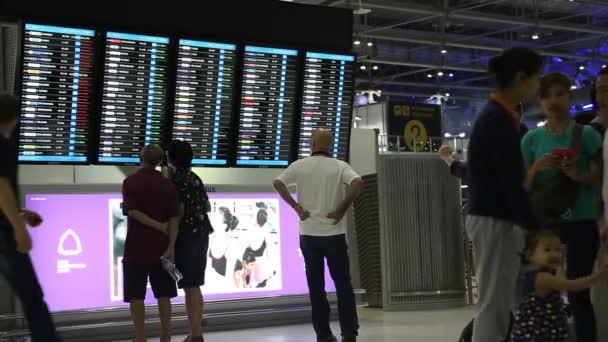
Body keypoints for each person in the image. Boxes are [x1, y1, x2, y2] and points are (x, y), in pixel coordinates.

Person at [466, 48, 543, 342]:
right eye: (537, 78)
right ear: (521, 78)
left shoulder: (502, 116)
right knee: (494, 306)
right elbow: (512, 182)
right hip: (494, 220)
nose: (538, 86)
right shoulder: (497, 119)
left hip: (495, 219)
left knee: (502, 301)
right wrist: (535, 228)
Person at [522, 72, 603, 342]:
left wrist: (576, 175)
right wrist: (537, 167)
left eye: (559, 94)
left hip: (581, 220)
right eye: (546, 96)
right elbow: (523, 185)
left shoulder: (587, 134)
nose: (553, 101)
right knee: (542, 292)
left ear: (570, 97)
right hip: (547, 224)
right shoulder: (531, 140)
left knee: (579, 295)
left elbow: (600, 175)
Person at [273, 128, 363, 342]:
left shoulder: (299, 166)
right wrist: (342, 208)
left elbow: (278, 183)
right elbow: (358, 183)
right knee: (343, 285)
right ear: (329, 145)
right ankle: (349, 333)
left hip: (309, 236)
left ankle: (323, 334)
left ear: (311, 143)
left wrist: (296, 207)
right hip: (335, 234)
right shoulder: (340, 166)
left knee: (316, 287)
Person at [0, 93, 62, 342]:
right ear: (15, 118)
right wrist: (18, 227)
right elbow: (1, 185)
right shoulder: (2, 146)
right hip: (4, 235)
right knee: (32, 295)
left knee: (30, 294)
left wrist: (20, 214)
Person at [122, 144, 180, 342]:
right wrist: (171, 245)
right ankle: (166, 336)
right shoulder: (168, 185)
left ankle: (140, 337)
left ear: (141, 157)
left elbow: (133, 212)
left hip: (136, 248)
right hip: (162, 248)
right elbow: (174, 219)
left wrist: (156, 225)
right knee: (164, 295)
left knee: (136, 296)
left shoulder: (130, 182)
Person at [511, 230, 608, 342]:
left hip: (546, 328)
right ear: (530, 256)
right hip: (536, 332)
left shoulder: (548, 275)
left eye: (558, 250)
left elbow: (561, 285)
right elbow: (571, 286)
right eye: (547, 250)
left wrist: (560, 266)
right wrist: (596, 277)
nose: (554, 254)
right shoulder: (542, 278)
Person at [166, 140, 213, 342]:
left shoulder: (176, 181)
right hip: (202, 234)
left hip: (186, 237)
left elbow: (177, 215)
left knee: (190, 286)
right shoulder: (195, 178)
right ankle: (196, 333)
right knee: (195, 284)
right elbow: (207, 205)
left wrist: (170, 246)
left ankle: (195, 335)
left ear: (171, 158)